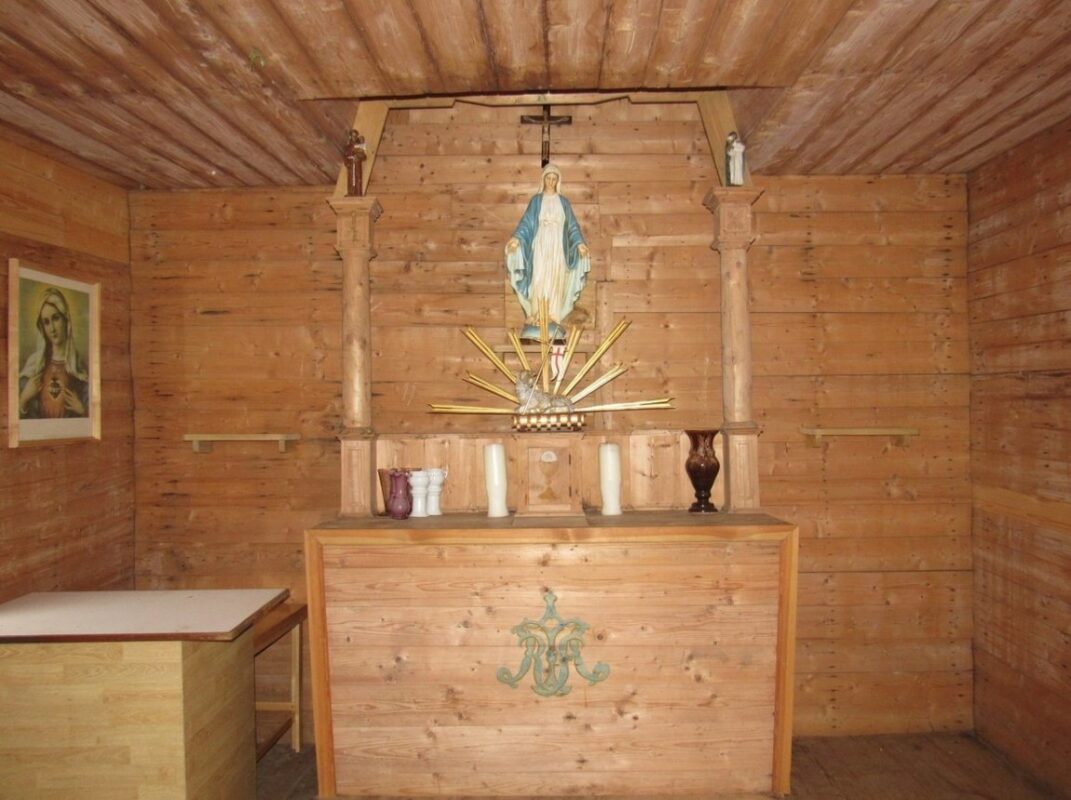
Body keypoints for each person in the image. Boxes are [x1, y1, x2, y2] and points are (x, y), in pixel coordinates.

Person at [505, 163, 591, 340]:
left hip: (558, 248)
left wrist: (579, 244)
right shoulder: (536, 201)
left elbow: (572, 226)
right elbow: (527, 222)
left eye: (554, 179)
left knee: (555, 279)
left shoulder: (563, 202)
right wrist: (516, 238)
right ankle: (537, 315)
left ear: (558, 181)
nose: (551, 182)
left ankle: (552, 316)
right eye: (548, 178)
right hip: (541, 245)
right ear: (543, 180)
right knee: (540, 278)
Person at [17, 287, 89, 419]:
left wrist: (82, 410)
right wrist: (24, 398)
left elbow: (92, 416)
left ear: (66, 320)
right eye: (46, 322)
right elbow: (18, 418)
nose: (52, 328)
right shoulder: (35, 364)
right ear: (42, 327)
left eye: (56, 318)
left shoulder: (78, 366)